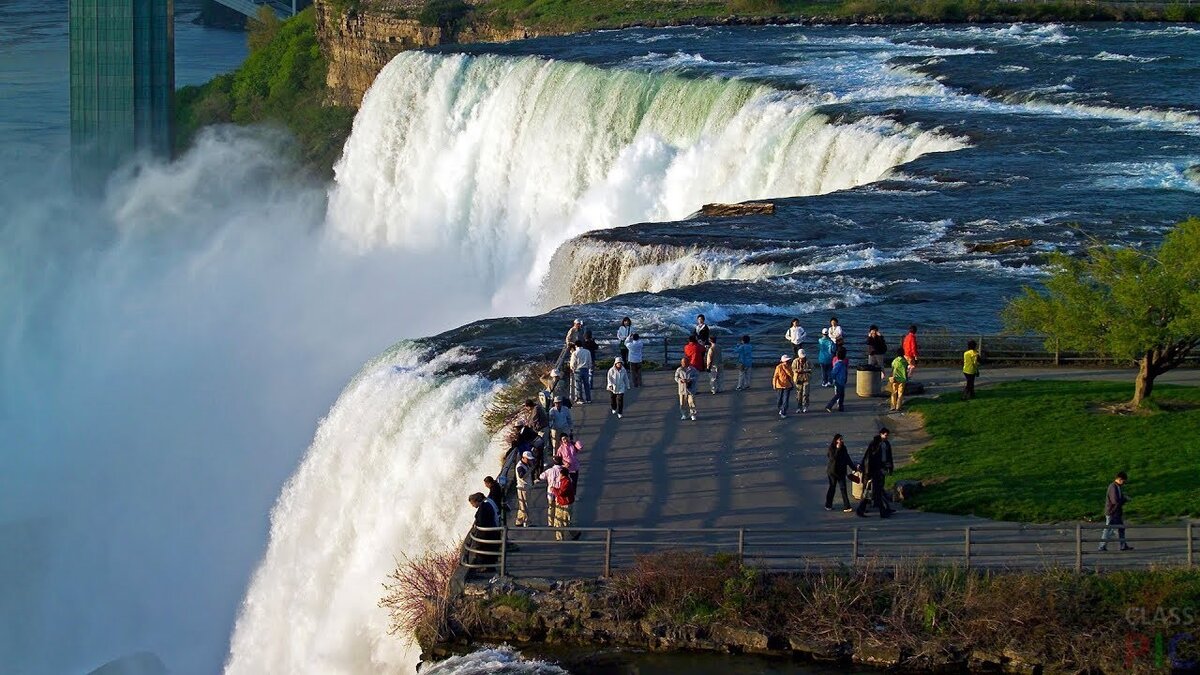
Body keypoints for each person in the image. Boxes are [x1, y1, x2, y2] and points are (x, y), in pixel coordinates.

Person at [855, 438, 894, 519]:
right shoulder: (874, 453)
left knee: (870, 494)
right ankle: (882, 512)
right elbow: (870, 466)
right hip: (872, 477)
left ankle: (861, 510)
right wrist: (871, 477)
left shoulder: (873, 452)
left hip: (871, 476)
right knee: (875, 494)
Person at [1099, 472, 1132, 552]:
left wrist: (1123, 497)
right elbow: (1115, 501)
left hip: (1116, 512)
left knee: (1121, 528)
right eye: (1124, 481)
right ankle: (1102, 546)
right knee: (1108, 530)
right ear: (1120, 479)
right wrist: (1125, 499)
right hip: (1112, 512)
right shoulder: (1113, 487)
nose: (1124, 483)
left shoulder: (1117, 486)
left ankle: (1123, 545)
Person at [468, 492, 500, 568]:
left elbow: (482, 522)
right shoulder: (487, 503)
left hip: (488, 534)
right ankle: (489, 567)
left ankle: (486, 567)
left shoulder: (483, 507)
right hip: (493, 531)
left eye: (472, 504)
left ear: (476, 501)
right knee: (490, 553)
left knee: (485, 552)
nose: (472, 506)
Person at [825, 434, 854, 512]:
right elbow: (833, 459)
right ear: (836, 440)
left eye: (842, 439)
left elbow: (847, 459)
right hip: (833, 472)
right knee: (832, 488)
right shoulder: (831, 448)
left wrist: (854, 468)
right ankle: (828, 505)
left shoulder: (844, 448)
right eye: (840, 439)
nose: (841, 441)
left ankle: (847, 507)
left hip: (841, 472)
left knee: (843, 488)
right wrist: (837, 449)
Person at [551, 469, 579, 541]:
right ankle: (559, 538)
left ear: (562, 475)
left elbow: (561, 493)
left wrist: (554, 489)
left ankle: (574, 533)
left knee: (565, 521)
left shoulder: (566, 482)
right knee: (559, 520)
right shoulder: (565, 481)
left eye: (559, 474)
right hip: (562, 502)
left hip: (565, 503)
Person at [539, 456, 565, 535]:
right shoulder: (563, 471)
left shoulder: (549, 470)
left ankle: (550, 522)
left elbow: (541, 476)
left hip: (550, 490)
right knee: (558, 507)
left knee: (550, 507)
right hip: (559, 491)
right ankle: (557, 523)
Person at [514, 450, 535, 526]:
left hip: (525, 487)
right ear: (524, 458)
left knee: (522, 505)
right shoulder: (520, 466)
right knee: (526, 505)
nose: (529, 460)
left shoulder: (525, 464)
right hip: (523, 487)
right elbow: (521, 476)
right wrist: (530, 470)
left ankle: (519, 521)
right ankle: (527, 522)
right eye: (528, 459)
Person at [824, 347, 848, 413]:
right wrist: (834, 379)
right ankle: (829, 405)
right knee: (838, 394)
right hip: (838, 381)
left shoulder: (842, 363)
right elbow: (833, 372)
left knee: (841, 395)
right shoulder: (839, 364)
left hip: (841, 381)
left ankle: (840, 406)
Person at [790, 348, 811, 413]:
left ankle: (805, 406)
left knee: (806, 394)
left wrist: (805, 370)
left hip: (806, 379)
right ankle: (799, 407)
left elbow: (811, 369)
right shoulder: (795, 361)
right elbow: (793, 369)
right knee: (799, 394)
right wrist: (798, 370)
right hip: (798, 379)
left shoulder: (808, 361)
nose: (802, 358)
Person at [889, 348, 909, 412]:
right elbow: (906, 370)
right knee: (900, 393)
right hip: (902, 379)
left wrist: (891, 376)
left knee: (894, 392)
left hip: (895, 378)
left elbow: (892, 369)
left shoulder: (894, 361)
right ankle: (898, 406)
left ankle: (892, 406)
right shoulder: (905, 361)